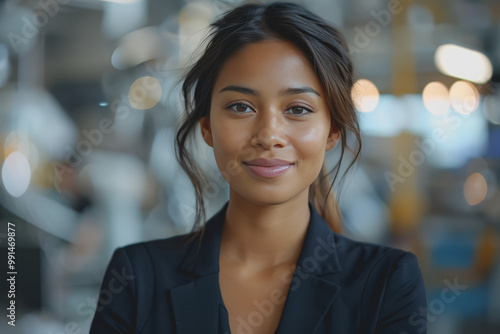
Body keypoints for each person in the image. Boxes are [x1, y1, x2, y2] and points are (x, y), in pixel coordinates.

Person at [89, 2, 428, 333]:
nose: (268, 136)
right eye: (240, 106)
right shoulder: (136, 278)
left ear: (332, 132)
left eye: (297, 109)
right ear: (207, 127)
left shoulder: (387, 283)